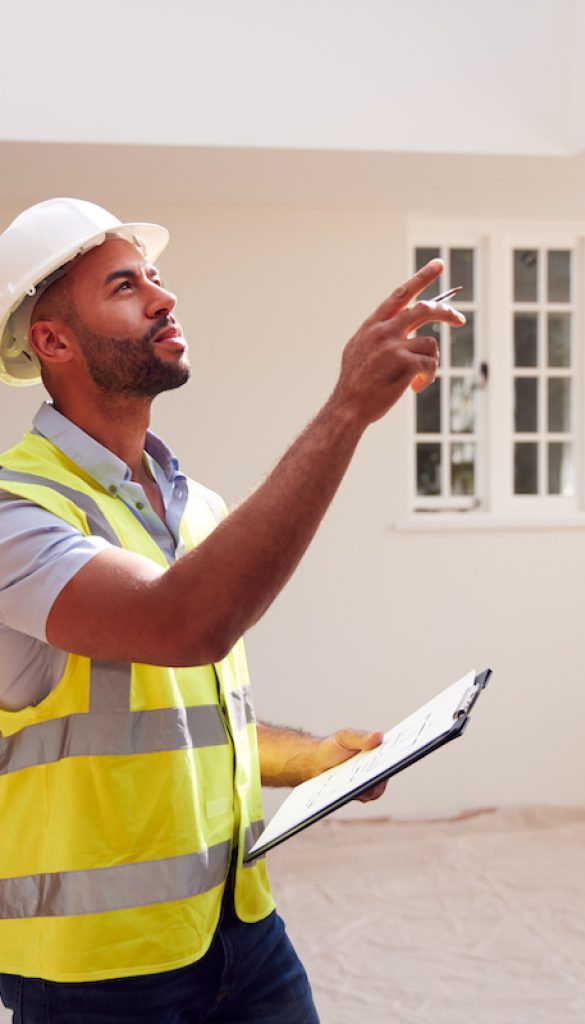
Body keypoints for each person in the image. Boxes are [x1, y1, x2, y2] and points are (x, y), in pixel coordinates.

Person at [0, 198, 464, 1022]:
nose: (162, 297)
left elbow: (185, 720)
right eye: (123, 286)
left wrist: (317, 758)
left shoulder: (196, 507)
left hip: (238, 928)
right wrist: (347, 408)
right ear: (54, 341)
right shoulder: (15, 510)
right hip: (95, 969)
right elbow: (182, 626)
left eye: (157, 277)